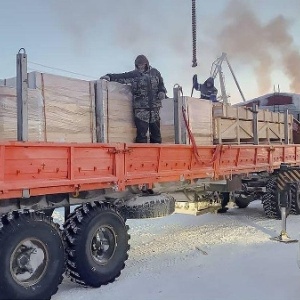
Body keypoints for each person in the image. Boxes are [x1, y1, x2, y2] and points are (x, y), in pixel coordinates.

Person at [101, 55, 167, 143]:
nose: (140, 67)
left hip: (155, 108)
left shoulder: (155, 72)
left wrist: (162, 91)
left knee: (156, 134)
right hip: (141, 110)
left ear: (146, 64)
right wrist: (109, 76)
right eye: (138, 65)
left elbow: (161, 84)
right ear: (136, 65)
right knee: (141, 135)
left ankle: (157, 154)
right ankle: (141, 154)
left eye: (142, 65)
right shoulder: (134, 74)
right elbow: (122, 76)